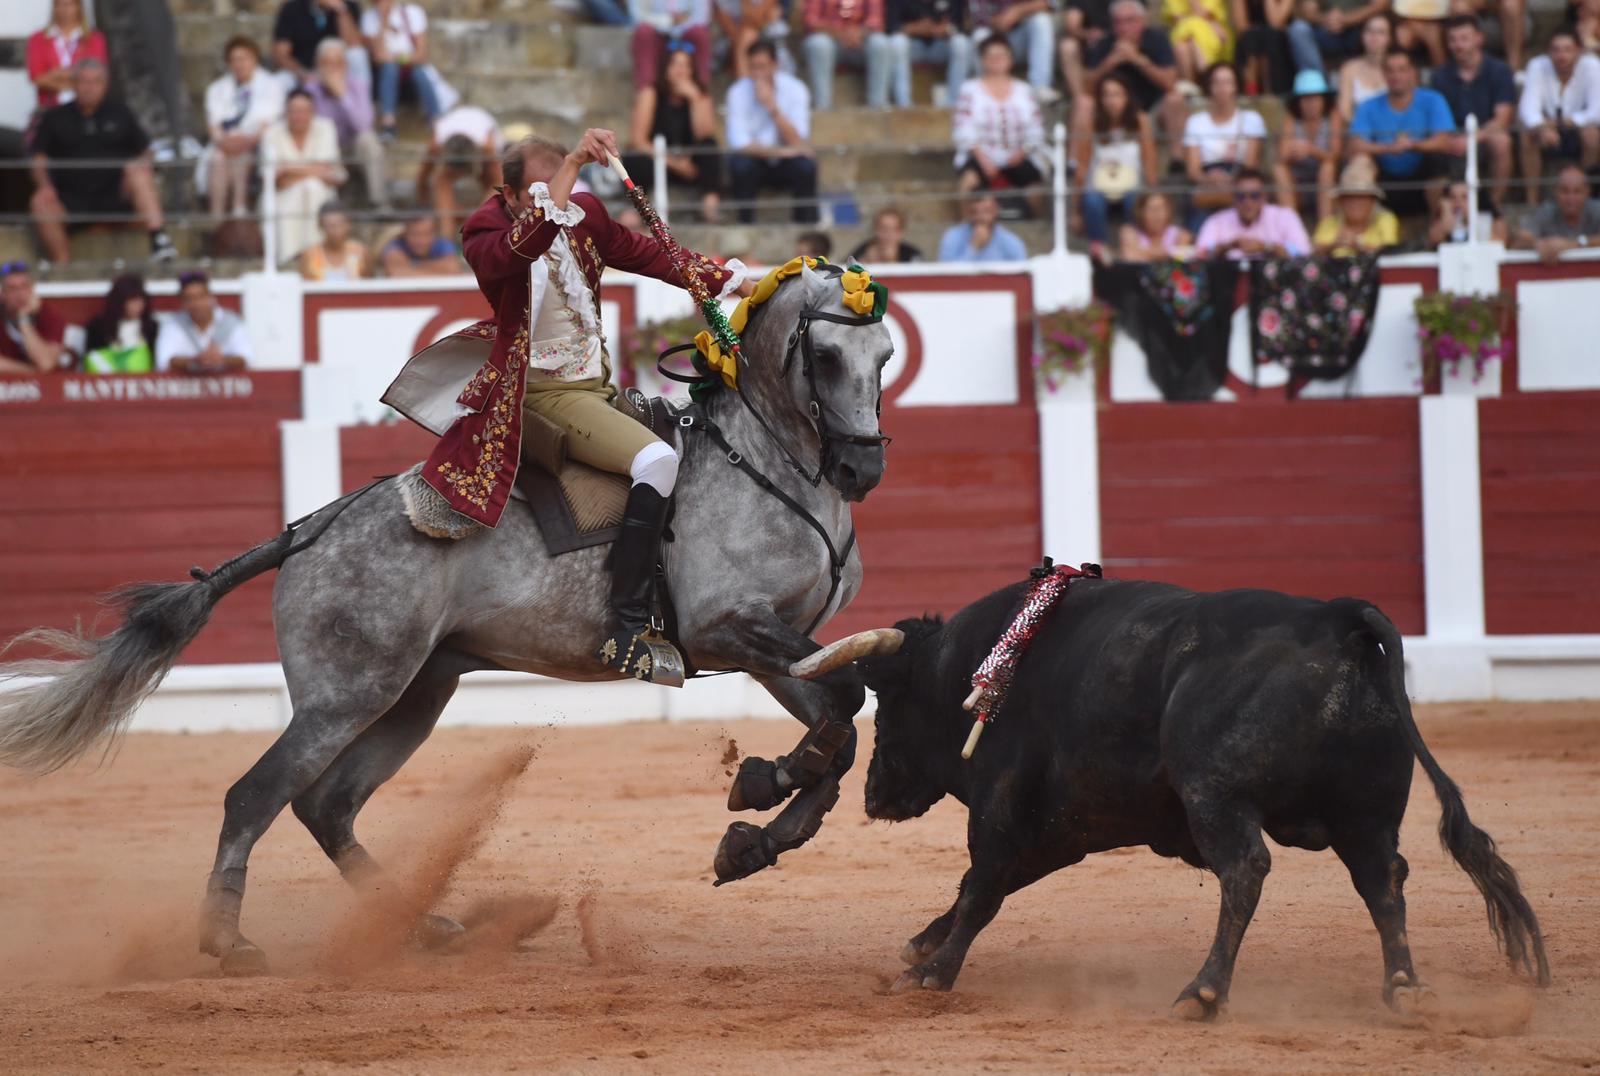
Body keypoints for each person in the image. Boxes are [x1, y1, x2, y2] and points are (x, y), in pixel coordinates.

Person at [389, 130, 755, 679]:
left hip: (596, 387)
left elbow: (651, 254)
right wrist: (565, 177)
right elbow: (524, 246)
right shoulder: (484, 230)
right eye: (534, 192)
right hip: (542, 392)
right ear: (508, 194)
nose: (550, 200)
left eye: (558, 185)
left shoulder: (582, 211)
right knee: (656, 461)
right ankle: (627, 626)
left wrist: (732, 281)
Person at [29, 61, 177, 265]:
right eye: (83, 81)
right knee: (40, 202)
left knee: (139, 173)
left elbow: (146, 151)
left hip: (116, 195)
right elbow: (38, 157)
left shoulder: (121, 112)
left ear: (105, 85)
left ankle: (159, 239)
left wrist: (138, 165)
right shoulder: (54, 117)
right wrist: (45, 186)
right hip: (71, 198)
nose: (89, 87)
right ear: (73, 84)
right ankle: (62, 266)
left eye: (95, 82)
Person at [1346, 47, 1463, 215]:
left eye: (1402, 69)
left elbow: (1445, 141)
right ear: (1383, 74)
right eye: (1390, 70)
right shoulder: (1368, 105)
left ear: (1413, 72)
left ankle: (1437, 227)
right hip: (1384, 179)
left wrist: (1412, 145)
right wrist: (1390, 148)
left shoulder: (1433, 99)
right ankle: (1365, 231)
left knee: (1439, 160)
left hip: (1423, 178)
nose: (1396, 76)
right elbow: (1354, 145)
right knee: (1360, 161)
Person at [621, 43, 724, 223]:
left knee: (711, 148)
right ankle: (636, 209)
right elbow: (638, 140)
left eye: (686, 65)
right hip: (658, 161)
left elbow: (705, 134)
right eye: (675, 64)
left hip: (690, 163)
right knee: (636, 159)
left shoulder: (701, 96)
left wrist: (694, 98)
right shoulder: (650, 93)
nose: (680, 70)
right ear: (665, 68)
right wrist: (674, 163)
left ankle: (710, 205)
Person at [726, 40, 819, 223]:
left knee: (806, 167)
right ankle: (746, 225)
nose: (757, 73)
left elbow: (797, 139)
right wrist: (784, 152)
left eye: (762, 67)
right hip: (757, 161)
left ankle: (804, 227)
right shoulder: (737, 92)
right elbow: (740, 144)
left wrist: (772, 108)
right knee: (740, 166)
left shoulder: (796, 89)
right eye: (752, 67)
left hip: (785, 163)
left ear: (775, 65)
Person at [1074, 0, 1186, 150]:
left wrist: (1138, 60)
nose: (1123, 27)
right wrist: (1110, 62)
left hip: (1151, 111)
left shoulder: (1157, 40)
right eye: (1118, 22)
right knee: (1082, 102)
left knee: (1175, 99)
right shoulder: (1104, 44)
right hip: (1110, 111)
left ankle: (1177, 162)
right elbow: (1086, 87)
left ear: (1142, 21)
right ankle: (1073, 164)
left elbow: (1170, 83)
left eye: (1129, 21)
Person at [1430, 15, 1514, 207]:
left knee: (1501, 142)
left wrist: (1471, 139)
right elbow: (1438, 120)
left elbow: (1502, 119)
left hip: (1485, 134)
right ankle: (1442, 213)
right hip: (1452, 136)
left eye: (1464, 38)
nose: (1458, 45)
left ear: (1479, 38)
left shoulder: (1500, 71)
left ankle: (1494, 205)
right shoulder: (1439, 76)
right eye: (1452, 39)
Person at [1075, 74, 1158, 259]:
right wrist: (1076, 211)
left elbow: (1150, 160)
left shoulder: (1140, 121)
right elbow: (1082, 166)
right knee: (1091, 201)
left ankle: (1132, 249)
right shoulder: (1091, 123)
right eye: (1107, 95)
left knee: (1134, 199)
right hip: (1100, 188)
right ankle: (1099, 250)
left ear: (1127, 97)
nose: (1112, 100)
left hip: (1132, 187)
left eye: (1117, 94)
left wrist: (1152, 195)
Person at [204, 37, 287, 222]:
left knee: (241, 155)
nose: (240, 64)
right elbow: (213, 123)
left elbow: (272, 120)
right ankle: (216, 215)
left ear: (255, 59)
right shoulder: (217, 88)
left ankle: (238, 208)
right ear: (228, 62)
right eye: (235, 59)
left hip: (258, 144)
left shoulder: (272, 85)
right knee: (218, 157)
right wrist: (224, 141)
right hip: (225, 145)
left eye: (245, 58)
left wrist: (249, 140)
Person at [953, 35, 1049, 195]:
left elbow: (1036, 130)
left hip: (1019, 156)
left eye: (1002, 55)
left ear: (1011, 60)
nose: (997, 60)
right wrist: (984, 160)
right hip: (981, 157)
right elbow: (963, 130)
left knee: (1035, 190)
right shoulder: (969, 89)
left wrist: (1021, 153)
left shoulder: (1024, 90)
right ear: (983, 60)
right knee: (969, 182)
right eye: (991, 56)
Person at [264, 89, 347, 265]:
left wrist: (288, 169)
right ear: (286, 112)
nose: (298, 116)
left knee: (312, 187)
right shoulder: (272, 132)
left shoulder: (325, 127)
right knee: (308, 187)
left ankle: (312, 256)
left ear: (312, 112)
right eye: (294, 111)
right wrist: (313, 172)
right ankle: (290, 259)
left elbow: (325, 168)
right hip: (282, 196)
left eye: (303, 111)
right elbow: (273, 179)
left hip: (320, 193)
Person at [306, 37, 390, 210]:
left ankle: (380, 203)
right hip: (323, 151)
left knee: (368, 140)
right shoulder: (310, 90)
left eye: (338, 62)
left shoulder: (357, 85)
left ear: (345, 64)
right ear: (318, 65)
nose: (332, 68)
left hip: (352, 148)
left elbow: (364, 125)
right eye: (327, 63)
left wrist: (342, 95)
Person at [1518, 29, 1600, 204]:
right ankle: (1532, 202)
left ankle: (1585, 199)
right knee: (1527, 136)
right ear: (1549, 52)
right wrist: (1542, 128)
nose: (1561, 55)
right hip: (1548, 132)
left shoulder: (1592, 66)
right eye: (1556, 50)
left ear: (1579, 50)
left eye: (1567, 49)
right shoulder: (1537, 66)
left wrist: (1564, 122)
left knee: (1592, 136)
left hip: (1577, 131)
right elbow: (1527, 109)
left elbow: (1596, 111)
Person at [1183, 63, 1267, 223]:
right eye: (1217, 82)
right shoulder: (1195, 122)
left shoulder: (1252, 119)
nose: (1222, 88)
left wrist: (1231, 180)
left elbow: (1251, 163)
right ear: (1209, 87)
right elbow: (1193, 170)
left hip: (1240, 179)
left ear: (1236, 87)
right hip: (1207, 180)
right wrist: (1208, 179)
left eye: (1228, 82)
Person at [417, 105, 506, 238]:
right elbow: (423, 177)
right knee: (441, 181)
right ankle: (446, 234)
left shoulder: (488, 146)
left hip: (482, 149)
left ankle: (476, 226)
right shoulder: (435, 145)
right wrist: (426, 204)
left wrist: (475, 216)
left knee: (490, 180)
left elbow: (499, 183)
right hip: (457, 149)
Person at [363, 0, 447, 139]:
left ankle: (437, 122)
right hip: (384, 78)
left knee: (418, 71)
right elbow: (378, 56)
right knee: (389, 68)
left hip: (411, 76)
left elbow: (421, 56)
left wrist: (396, 58)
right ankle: (388, 123)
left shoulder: (413, 13)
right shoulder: (369, 18)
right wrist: (383, 22)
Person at [1193, 166, 1312, 258]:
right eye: (1241, 196)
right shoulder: (1217, 221)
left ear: (1264, 197)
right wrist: (1226, 247)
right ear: (1233, 197)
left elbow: (1303, 252)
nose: (1247, 202)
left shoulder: (1284, 217)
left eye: (1254, 196)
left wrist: (1267, 247)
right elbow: (1199, 254)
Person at [156, 272, 253, 374]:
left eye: (200, 297)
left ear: (211, 297)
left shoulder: (231, 321)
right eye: (189, 299)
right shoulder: (173, 324)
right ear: (182, 301)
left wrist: (223, 360)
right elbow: (164, 361)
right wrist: (194, 361)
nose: (196, 304)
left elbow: (247, 358)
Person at [1274, 68, 1339, 221]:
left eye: (1315, 98)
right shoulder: (1291, 119)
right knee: (1279, 170)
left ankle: (1325, 225)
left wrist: (1311, 150)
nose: (1311, 104)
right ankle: (1291, 226)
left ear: (1324, 99)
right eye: (1306, 99)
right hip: (1298, 187)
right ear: (1298, 102)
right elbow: (1281, 158)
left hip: (1327, 185)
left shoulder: (1333, 117)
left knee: (1328, 167)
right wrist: (1295, 153)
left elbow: (1335, 156)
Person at [803, 0, 893, 108]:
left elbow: (876, 20)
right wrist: (840, 33)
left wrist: (859, 33)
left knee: (880, 43)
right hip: (831, 41)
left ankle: (878, 104)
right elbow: (811, 20)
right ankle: (823, 105)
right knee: (818, 43)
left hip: (861, 42)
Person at [25, 0, 108, 116]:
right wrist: (77, 81)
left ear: (78, 7)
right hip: (50, 109)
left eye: (70, 4)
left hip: (86, 110)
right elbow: (37, 78)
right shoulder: (38, 39)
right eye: (60, 4)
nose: (65, 9)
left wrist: (55, 73)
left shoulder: (94, 39)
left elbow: (97, 74)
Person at [886, 0, 974, 107]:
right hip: (912, 47)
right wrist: (915, 28)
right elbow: (890, 26)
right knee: (897, 42)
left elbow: (962, 26)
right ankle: (903, 103)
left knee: (961, 43)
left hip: (940, 46)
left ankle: (955, 102)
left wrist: (946, 29)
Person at [1514, 161, 1600, 264]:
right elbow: (1519, 238)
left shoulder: (1596, 209)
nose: (1571, 198)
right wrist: (1537, 244)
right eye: (1565, 191)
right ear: (1555, 191)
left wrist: (1573, 244)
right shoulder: (1547, 211)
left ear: (1587, 192)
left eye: (1577, 191)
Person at [273, 0, 366, 88]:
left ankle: (362, 101)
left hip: (339, 70)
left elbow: (353, 44)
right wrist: (302, 73)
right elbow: (281, 54)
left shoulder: (348, 8)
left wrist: (341, 11)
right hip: (304, 70)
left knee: (358, 55)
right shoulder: (292, 9)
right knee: (282, 80)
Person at [1313, 159, 1400, 254]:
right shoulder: (1329, 223)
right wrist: (1333, 245)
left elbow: (1391, 252)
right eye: (1349, 197)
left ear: (1372, 201)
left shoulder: (1385, 219)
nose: (1355, 202)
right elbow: (1313, 253)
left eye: (1361, 197)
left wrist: (1359, 245)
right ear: (1340, 201)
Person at [969, 0, 1057, 91]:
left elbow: (1048, 3)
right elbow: (978, 16)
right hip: (994, 39)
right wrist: (999, 21)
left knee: (1041, 20)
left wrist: (1018, 11)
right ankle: (983, 91)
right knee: (979, 35)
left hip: (1021, 39)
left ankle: (1040, 88)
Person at [1287, 0, 1390, 77]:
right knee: (1298, 29)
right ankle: (1317, 85)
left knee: (1377, 25)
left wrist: (1347, 20)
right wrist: (1326, 19)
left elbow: (1380, 5)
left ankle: (1376, 78)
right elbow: (1307, 11)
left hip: (1359, 28)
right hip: (1325, 30)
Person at [83, 274, 161, 375]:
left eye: (141, 300)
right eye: (132, 300)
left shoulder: (152, 328)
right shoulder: (98, 327)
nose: (139, 305)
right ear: (119, 301)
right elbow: (91, 361)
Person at [631, 0, 715, 91]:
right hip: (657, 34)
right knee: (643, 33)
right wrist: (670, 21)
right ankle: (647, 91)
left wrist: (678, 30)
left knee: (699, 34)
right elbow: (639, 16)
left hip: (687, 35)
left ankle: (700, 91)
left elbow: (701, 17)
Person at [0, 262, 66, 375]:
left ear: (32, 289)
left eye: (24, 286)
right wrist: (32, 372)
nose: (20, 294)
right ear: (2, 294)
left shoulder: (49, 315)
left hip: (47, 389)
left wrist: (24, 320)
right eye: (12, 289)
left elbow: (46, 363)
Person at [712, 0, 791, 81]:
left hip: (769, 34)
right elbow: (730, 29)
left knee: (748, 35)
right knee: (747, 36)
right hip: (736, 40)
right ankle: (744, 83)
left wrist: (750, 22)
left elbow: (756, 16)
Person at [1334, 13, 1392, 122]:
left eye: (1381, 32)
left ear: (1390, 38)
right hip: (1359, 133)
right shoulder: (1349, 68)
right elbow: (1344, 110)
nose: (1374, 36)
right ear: (1362, 35)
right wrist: (1362, 130)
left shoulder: (1399, 68)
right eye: (1369, 31)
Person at [938, 191, 1029, 260]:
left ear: (996, 210)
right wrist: (973, 247)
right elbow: (946, 275)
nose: (981, 217)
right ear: (968, 212)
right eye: (975, 212)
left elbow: (1021, 276)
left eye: (986, 211)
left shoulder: (1011, 242)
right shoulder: (952, 237)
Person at [1163, 0, 1234, 84]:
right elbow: (1178, 18)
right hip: (1184, 30)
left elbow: (1206, 13)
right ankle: (1202, 82)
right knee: (1183, 45)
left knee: (1186, 43)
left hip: (1210, 32)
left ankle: (1193, 86)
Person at [299, 202, 373, 280]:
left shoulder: (360, 252)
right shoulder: (310, 255)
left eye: (339, 224)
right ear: (320, 226)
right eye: (330, 225)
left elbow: (368, 282)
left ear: (348, 224)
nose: (335, 230)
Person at [1234, 0, 1294, 95]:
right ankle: (1251, 90)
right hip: (1251, 39)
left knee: (1270, 37)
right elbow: (1241, 26)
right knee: (1251, 37)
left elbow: (1275, 21)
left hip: (1278, 41)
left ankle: (1270, 92)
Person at [1118, 189, 1193, 259]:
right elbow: (1130, 256)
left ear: (1169, 211)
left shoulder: (1181, 235)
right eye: (1151, 209)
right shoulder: (1129, 232)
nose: (1156, 215)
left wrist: (1143, 253)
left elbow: (1184, 257)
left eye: (1160, 208)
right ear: (1140, 212)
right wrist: (1171, 252)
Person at [1428, 177, 1505, 244]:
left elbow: (1500, 243)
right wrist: (1447, 213)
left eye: (1464, 197)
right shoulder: (1444, 219)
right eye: (1452, 197)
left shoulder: (1491, 219)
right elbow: (1434, 240)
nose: (1458, 202)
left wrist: (1470, 219)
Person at [381, 215, 462, 276]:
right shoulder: (395, 246)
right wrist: (440, 271)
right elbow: (397, 273)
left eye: (426, 234)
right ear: (405, 234)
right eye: (415, 234)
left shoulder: (443, 244)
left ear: (435, 234)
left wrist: (412, 267)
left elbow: (454, 269)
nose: (421, 240)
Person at [849, 206, 925, 261]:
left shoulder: (911, 254)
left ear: (901, 232)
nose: (888, 234)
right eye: (883, 229)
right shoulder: (863, 251)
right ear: (875, 230)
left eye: (893, 229)